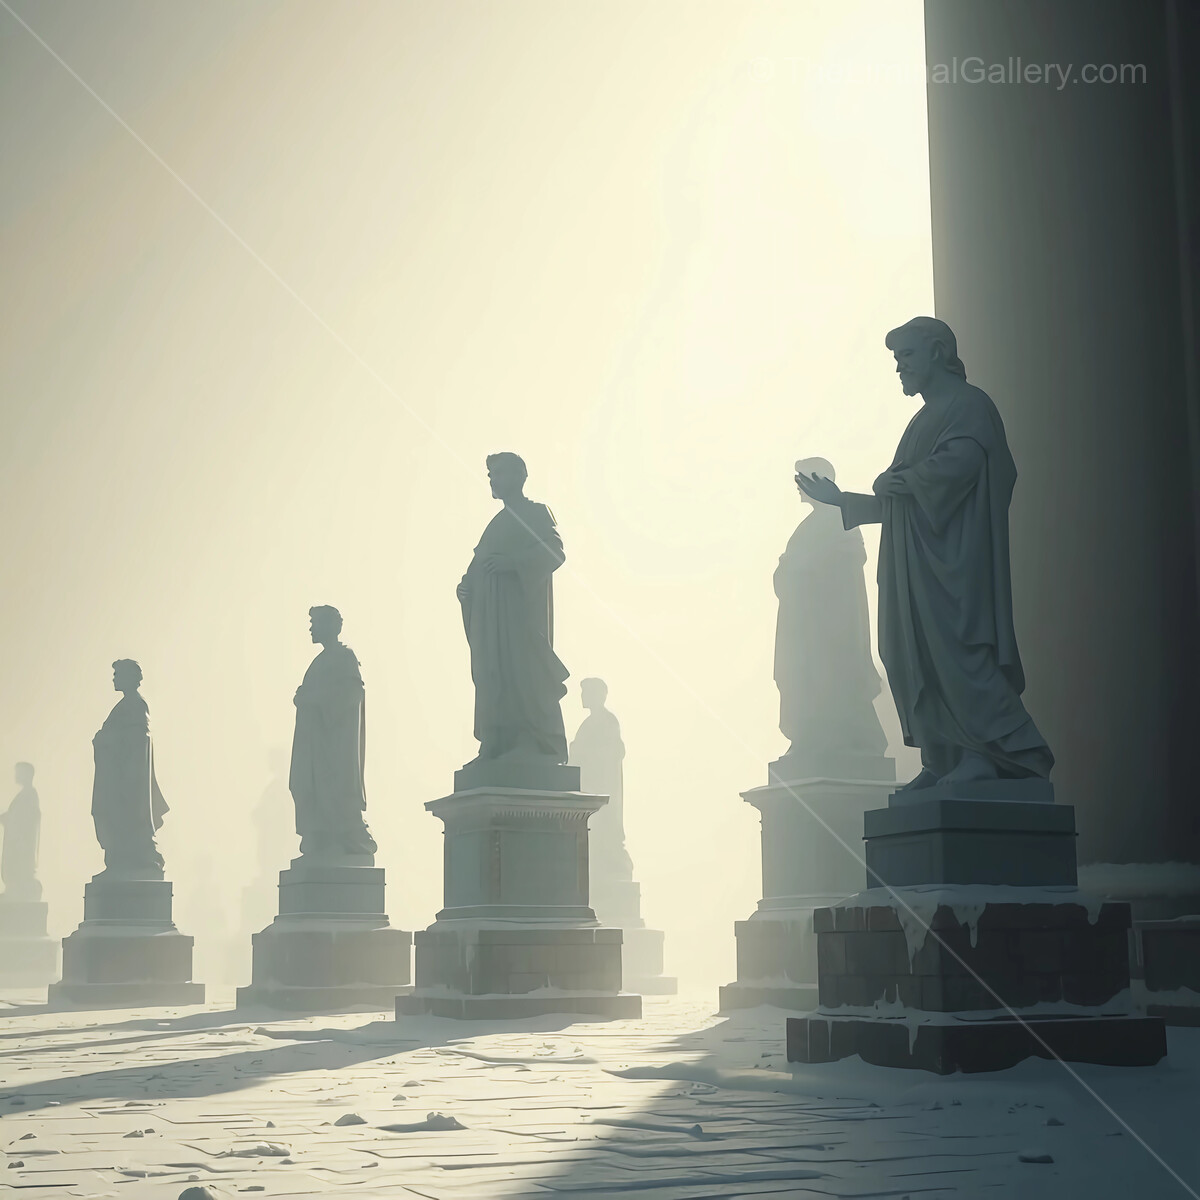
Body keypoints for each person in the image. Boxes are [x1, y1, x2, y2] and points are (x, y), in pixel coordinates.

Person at [796, 317, 1053, 790]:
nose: (900, 368)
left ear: (936, 352)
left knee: (960, 651)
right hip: (913, 566)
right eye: (897, 359)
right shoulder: (924, 418)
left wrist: (903, 481)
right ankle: (941, 757)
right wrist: (845, 501)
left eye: (906, 356)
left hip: (953, 563)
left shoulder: (969, 406)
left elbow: (962, 466)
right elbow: (899, 499)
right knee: (905, 652)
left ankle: (994, 750)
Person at [457, 453, 570, 763]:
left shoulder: (536, 513)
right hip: (491, 623)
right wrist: (466, 587)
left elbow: (554, 552)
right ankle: (497, 741)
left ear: (519, 476)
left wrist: (513, 564)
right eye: (490, 474)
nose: (492, 479)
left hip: (519, 620)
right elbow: (478, 564)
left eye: (498, 473)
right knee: (493, 676)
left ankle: (534, 742)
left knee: (527, 675)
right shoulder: (496, 524)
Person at [289, 606, 376, 861]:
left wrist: (312, 699)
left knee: (332, 790)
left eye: (315, 623)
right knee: (303, 785)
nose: (311, 628)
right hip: (313, 745)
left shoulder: (344, 657)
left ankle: (337, 837)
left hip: (333, 747)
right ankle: (319, 837)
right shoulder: (321, 661)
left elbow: (351, 694)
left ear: (332, 625)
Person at [91, 659, 169, 878]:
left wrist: (107, 739)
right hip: (118, 779)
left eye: (118, 674)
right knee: (112, 818)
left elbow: (137, 739)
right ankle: (120, 861)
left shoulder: (136, 704)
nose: (114, 678)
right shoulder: (125, 705)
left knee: (129, 819)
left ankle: (136, 859)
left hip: (129, 782)